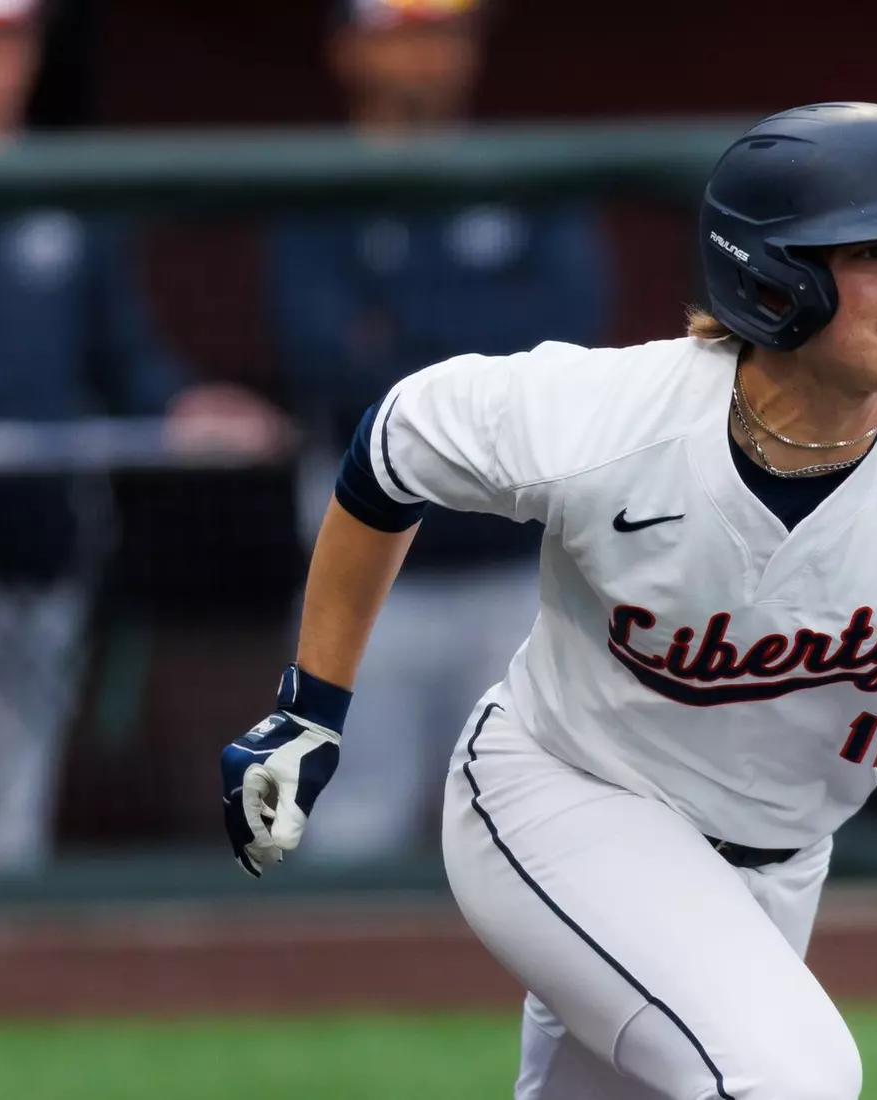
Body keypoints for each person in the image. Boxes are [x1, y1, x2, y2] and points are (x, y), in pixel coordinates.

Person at [223, 103, 877, 1100]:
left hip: (774, 866)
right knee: (791, 1075)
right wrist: (308, 706)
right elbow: (392, 448)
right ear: (771, 276)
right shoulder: (615, 416)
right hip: (562, 792)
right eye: (873, 249)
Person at [0, 0, 283, 870]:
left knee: (6, 772)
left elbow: (128, 354)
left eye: (16, 37)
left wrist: (187, 406)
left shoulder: (69, 187)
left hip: (34, 518)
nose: (5, 59)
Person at [266, 0, 611, 862]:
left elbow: (569, 348)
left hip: (519, 565)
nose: (430, 54)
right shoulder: (314, 195)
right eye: (406, 31)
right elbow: (327, 366)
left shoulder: (525, 178)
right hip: (368, 572)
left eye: (446, 30)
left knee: (537, 834)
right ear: (351, 50)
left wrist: (402, 338)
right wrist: (484, 348)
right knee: (350, 832)